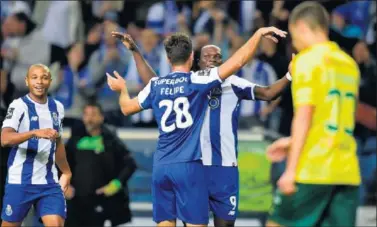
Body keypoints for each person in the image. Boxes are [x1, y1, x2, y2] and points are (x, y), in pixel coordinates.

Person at [107, 27, 286, 227]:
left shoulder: (158, 85)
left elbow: (127, 107)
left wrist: (122, 88)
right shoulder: (196, 81)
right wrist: (258, 33)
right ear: (193, 58)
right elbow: (239, 61)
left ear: (167, 60)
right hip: (189, 165)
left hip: (162, 167)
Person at [266, 2, 360, 227]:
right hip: (347, 171)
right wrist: (292, 142)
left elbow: (305, 115)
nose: (293, 43)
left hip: (314, 169)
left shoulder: (307, 61)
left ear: (300, 26)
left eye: (292, 35)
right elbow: (335, 117)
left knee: (275, 224)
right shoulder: (349, 64)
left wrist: (290, 171)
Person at [0, 64, 71, 227]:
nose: (39, 81)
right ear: (27, 81)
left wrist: (66, 172)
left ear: (50, 81)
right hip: (20, 181)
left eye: (44, 77)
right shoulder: (18, 106)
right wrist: (33, 133)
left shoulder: (57, 107)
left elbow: (58, 142)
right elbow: (4, 139)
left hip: (49, 183)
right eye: (35, 77)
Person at [64, 102, 137, 227]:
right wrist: (66, 185)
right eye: (86, 115)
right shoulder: (75, 139)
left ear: (101, 117)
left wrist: (114, 186)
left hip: (101, 202)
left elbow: (130, 164)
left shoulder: (110, 140)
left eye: (93, 115)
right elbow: (61, 164)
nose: (89, 119)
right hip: (76, 202)